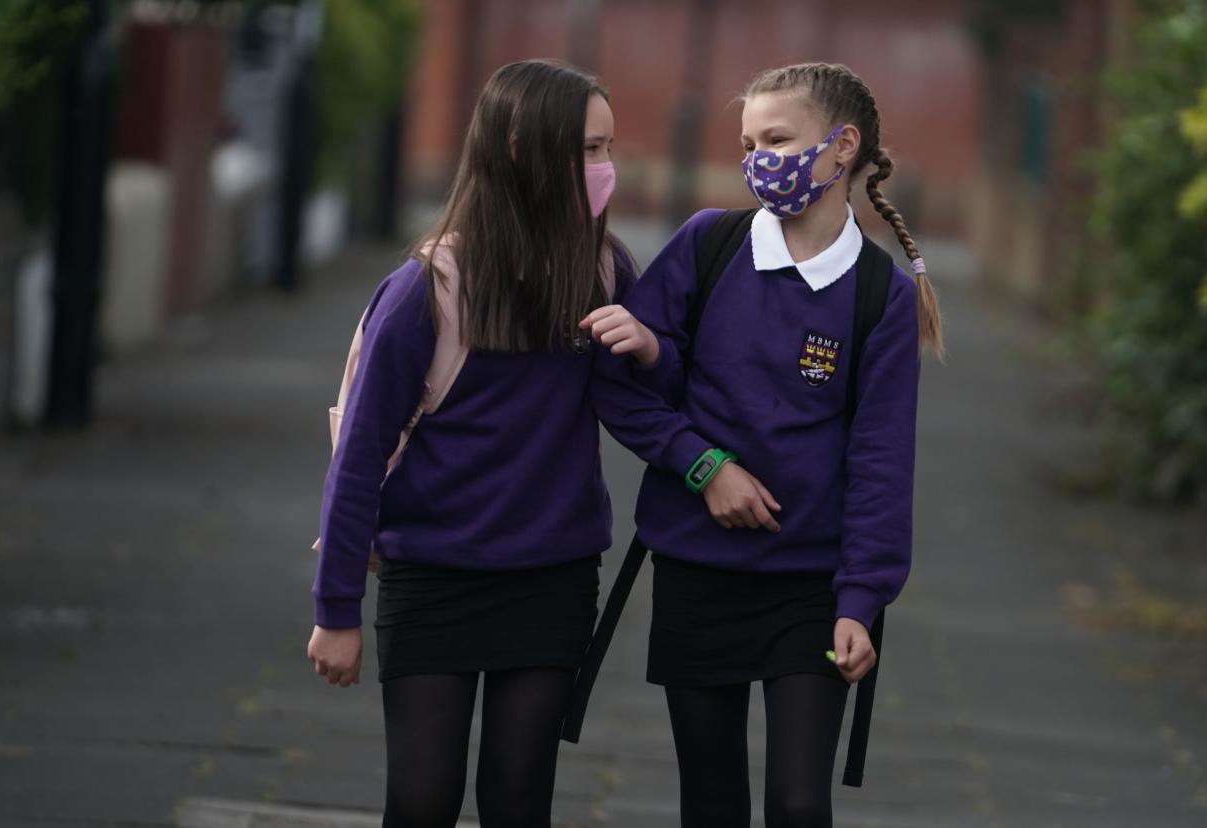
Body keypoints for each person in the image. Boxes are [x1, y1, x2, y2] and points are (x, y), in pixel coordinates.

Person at [583, 61, 943, 828]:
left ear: (842, 147)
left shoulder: (882, 298)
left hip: (811, 591)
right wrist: (704, 466)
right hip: (697, 572)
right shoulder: (706, 245)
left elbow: (882, 462)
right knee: (711, 801)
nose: (757, 161)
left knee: (799, 803)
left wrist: (862, 599)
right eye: (748, 143)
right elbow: (621, 386)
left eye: (778, 139)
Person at [305, 59, 651, 828]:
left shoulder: (606, 271)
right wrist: (336, 610)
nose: (605, 169)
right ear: (523, 151)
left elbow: (643, 410)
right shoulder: (424, 292)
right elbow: (358, 456)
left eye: (607, 148)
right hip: (431, 579)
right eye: (587, 150)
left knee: (518, 798)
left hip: (553, 580)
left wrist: (654, 351)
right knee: (423, 801)